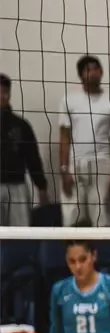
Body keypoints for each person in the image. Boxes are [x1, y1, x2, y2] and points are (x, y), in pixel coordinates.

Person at [58, 55, 110, 226]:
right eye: (88, 70)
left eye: (96, 69)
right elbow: (64, 136)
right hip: (75, 163)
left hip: (102, 163)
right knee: (72, 216)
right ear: (81, 75)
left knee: (102, 216)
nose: (93, 73)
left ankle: (103, 245)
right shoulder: (68, 100)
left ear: (102, 72)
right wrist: (64, 170)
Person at [0, 73, 49, 226]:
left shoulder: (21, 125)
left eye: (4, 92)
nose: (1, 96)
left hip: (17, 186)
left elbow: (32, 157)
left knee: (20, 233)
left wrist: (41, 186)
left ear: (9, 95)